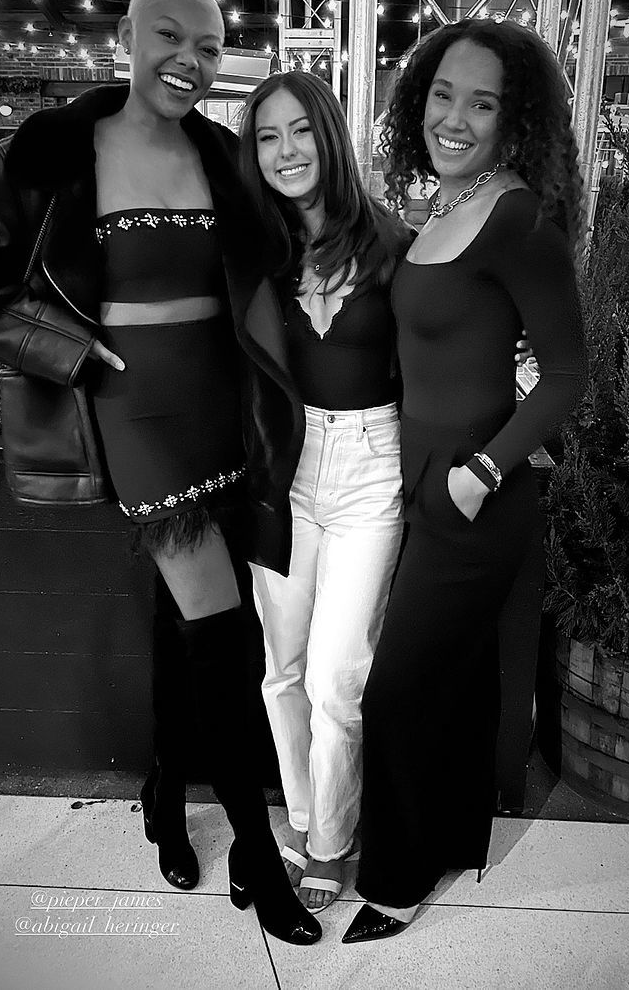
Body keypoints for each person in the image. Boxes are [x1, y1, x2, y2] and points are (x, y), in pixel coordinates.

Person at [0, 0, 321, 947]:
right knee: (223, 636)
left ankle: (165, 790)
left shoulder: (221, 153)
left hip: (224, 409)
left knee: (185, 624)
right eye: (170, 36)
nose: (190, 59)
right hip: (133, 414)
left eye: (210, 46)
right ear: (129, 38)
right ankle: (257, 857)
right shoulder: (56, 150)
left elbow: (277, 256)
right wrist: (66, 348)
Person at [342, 17, 587, 943]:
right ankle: (447, 838)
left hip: (474, 497)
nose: (455, 117)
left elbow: (567, 375)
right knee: (447, 682)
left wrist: (483, 470)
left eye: (481, 104)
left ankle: (396, 880)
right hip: (419, 482)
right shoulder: (447, 205)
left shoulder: (518, 219)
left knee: (398, 690)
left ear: (512, 118)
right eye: (442, 94)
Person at [238, 71, 409, 911]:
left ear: (330, 135)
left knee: (338, 676)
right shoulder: (254, 252)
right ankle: (307, 820)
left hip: (372, 463)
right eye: (267, 137)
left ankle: (333, 843)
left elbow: (440, 353)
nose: (285, 151)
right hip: (284, 466)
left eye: (300, 130)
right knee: (283, 669)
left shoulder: (393, 241)